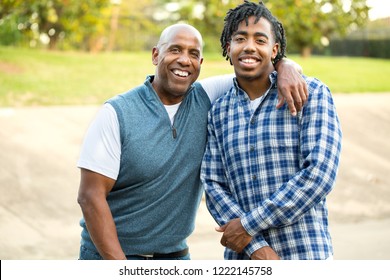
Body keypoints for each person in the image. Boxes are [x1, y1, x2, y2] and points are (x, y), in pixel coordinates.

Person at [76, 22, 307, 260]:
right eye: (175, 50)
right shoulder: (117, 113)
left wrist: (286, 65)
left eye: (193, 54)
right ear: (156, 55)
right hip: (110, 257)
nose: (185, 60)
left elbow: (257, 68)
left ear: (200, 64)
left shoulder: (206, 96)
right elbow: (90, 197)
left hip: (176, 258)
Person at [201, 1, 342, 260]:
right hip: (244, 261)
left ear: (275, 49)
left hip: (306, 254)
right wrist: (257, 248)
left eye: (260, 39)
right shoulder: (218, 112)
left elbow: (319, 174)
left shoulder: (312, 94)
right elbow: (213, 183)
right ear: (227, 47)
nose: (249, 47)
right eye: (240, 38)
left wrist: (248, 226)